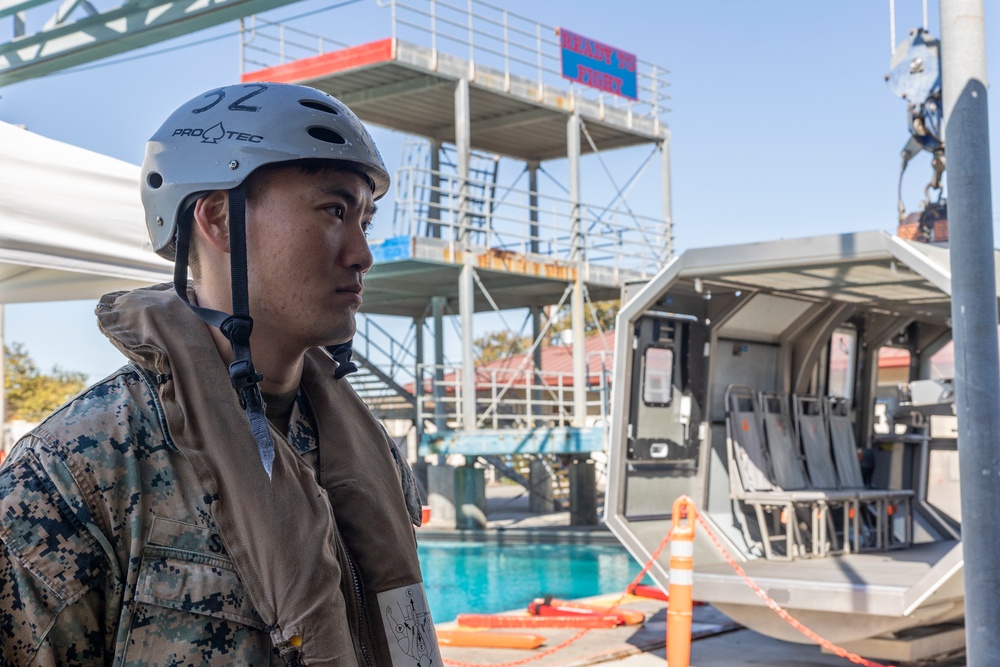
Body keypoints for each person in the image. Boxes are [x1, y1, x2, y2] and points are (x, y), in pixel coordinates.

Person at [0, 83, 442, 666]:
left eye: (364, 218)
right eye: (334, 211)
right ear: (217, 219)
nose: (362, 253)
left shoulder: (368, 450)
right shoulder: (81, 468)